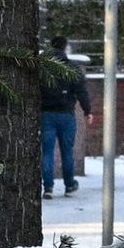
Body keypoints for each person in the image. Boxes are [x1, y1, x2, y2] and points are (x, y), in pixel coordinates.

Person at [40, 35, 93, 197]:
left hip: (46, 114)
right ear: (64, 48)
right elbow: (81, 91)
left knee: (47, 152)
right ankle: (69, 185)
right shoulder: (72, 68)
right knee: (67, 152)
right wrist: (87, 111)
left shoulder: (42, 68)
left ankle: (48, 187)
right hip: (66, 114)